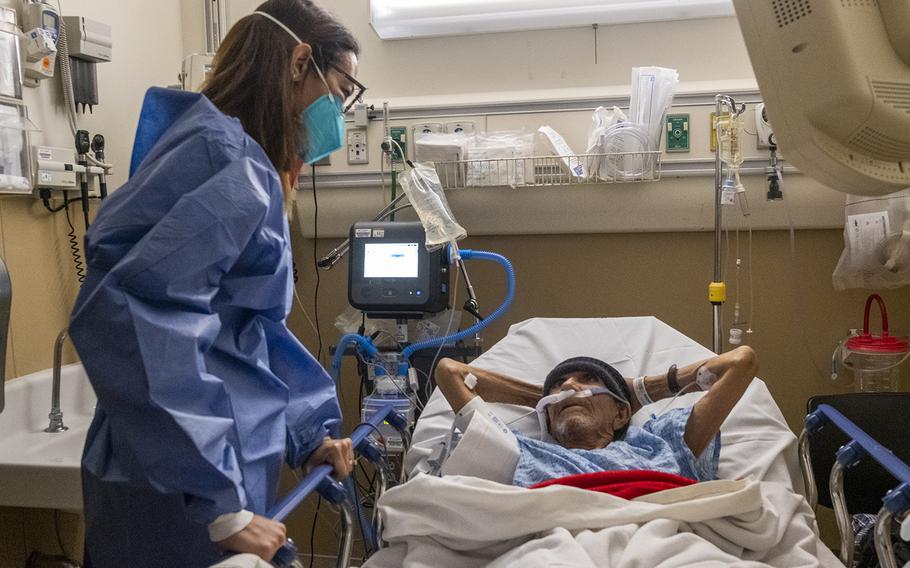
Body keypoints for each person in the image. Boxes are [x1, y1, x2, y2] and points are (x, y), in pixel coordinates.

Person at [68, 1, 366, 566]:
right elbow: (135, 313)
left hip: (210, 467)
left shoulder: (239, 162)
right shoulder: (223, 159)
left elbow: (248, 330)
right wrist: (217, 504)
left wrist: (308, 430)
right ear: (300, 61)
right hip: (176, 486)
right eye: (342, 90)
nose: (340, 113)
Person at [432, 346, 757, 487]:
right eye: (559, 387)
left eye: (587, 380)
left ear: (621, 414)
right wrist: (546, 398)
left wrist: (640, 390)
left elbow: (740, 363)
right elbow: (450, 372)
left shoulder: (662, 443)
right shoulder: (518, 452)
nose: (570, 385)